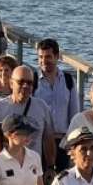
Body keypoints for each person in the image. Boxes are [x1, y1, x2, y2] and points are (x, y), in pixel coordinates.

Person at [0, 66, 55, 176]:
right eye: (21, 82)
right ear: (11, 83)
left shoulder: (42, 107)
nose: (25, 86)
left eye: (29, 83)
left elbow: (48, 139)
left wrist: (50, 167)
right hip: (6, 174)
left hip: (33, 172)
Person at [34, 39, 80, 173]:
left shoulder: (68, 80)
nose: (43, 61)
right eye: (40, 57)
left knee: (61, 180)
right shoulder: (34, 80)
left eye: (48, 56)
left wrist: (72, 143)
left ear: (57, 56)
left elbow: (74, 114)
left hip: (62, 142)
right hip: (40, 140)